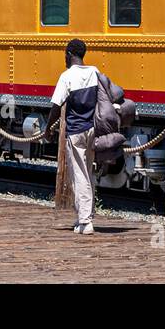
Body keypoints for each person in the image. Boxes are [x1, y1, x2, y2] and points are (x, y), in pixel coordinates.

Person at [45, 38, 106, 235]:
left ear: (70, 54)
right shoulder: (94, 71)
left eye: (65, 54)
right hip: (92, 129)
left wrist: (48, 128)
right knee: (88, 173)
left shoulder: (67, 76)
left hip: (76, 131)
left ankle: (85, 222)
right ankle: (84, 216)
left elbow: (56, 106)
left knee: (79, 176)